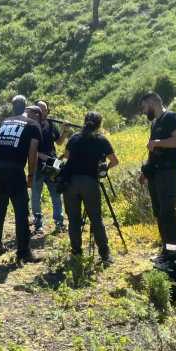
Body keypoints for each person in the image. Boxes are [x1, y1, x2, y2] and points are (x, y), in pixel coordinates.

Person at [63, 112, 118, 266]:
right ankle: (105, 254)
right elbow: (114, 161)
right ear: (99, 124)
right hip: (90, 182)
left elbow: (66, 156)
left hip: (71, 182)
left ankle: (76, 252)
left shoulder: (74, 138)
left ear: (84, 121)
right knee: (96, 219)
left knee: (73, 219)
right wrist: (103, 169)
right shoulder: (101, 140)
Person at [0, 105, 42, 263]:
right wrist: (31, 174)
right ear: (32, 113)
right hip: (14, 169)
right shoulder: (33, 125)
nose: (39, 118)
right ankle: (24, 252)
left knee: (0, 208)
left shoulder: (4, 121)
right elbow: (33, 152)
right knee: (21, 210)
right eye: (38, 114)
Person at [140, 92, 176, 261]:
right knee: (159, 212)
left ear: (152, 103)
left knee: (168, 212)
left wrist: (157, 143)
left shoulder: (172, 117)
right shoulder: (155, 123)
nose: (143, 111)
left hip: (169, 173)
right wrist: (146, 172)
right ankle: (166, 251)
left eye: (144, 107)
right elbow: (153, 152)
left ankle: (173, 252)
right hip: (155, 174)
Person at [31, 100, 70, 234]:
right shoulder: (30, 126)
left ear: (48, 111)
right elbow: (29, 149)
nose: (42, 112)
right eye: (39, 110)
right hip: (36, 165)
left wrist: (65, 132)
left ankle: (59, 223)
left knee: (56, 193)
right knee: (36, 195)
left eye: (45, 110)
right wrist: (42, 157)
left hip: (53, 164)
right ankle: (38, 224)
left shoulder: (51, 124)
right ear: (35, 111)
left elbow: (59, 142)